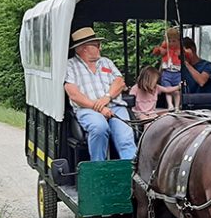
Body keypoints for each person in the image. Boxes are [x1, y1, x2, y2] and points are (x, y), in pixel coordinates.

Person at [64, 27, 136, 161]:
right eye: (97, 45)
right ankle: (98, 168)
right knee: (99, 128)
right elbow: (73, 94)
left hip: (115, 106)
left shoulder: (105, 62)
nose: (100, 48)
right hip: (87, 109)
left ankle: (131, 172)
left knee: (125, 136)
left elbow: (119, 82)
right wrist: (99, 107)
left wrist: (106, 98)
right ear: (84, 48)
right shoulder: (70, 66)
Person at [152, 27, 182, 110]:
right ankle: (170, 105)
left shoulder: (180, 48)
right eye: (169, 41)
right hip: (167, 71)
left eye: (174, 41)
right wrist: (160, 49)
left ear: (178, 40)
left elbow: (187, 55)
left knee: (177, 90)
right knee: (167, 90)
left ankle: (177, 106)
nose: (171, 43)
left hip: (177, 72)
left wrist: (181, 53)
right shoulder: (164, 47)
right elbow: (155, 52)